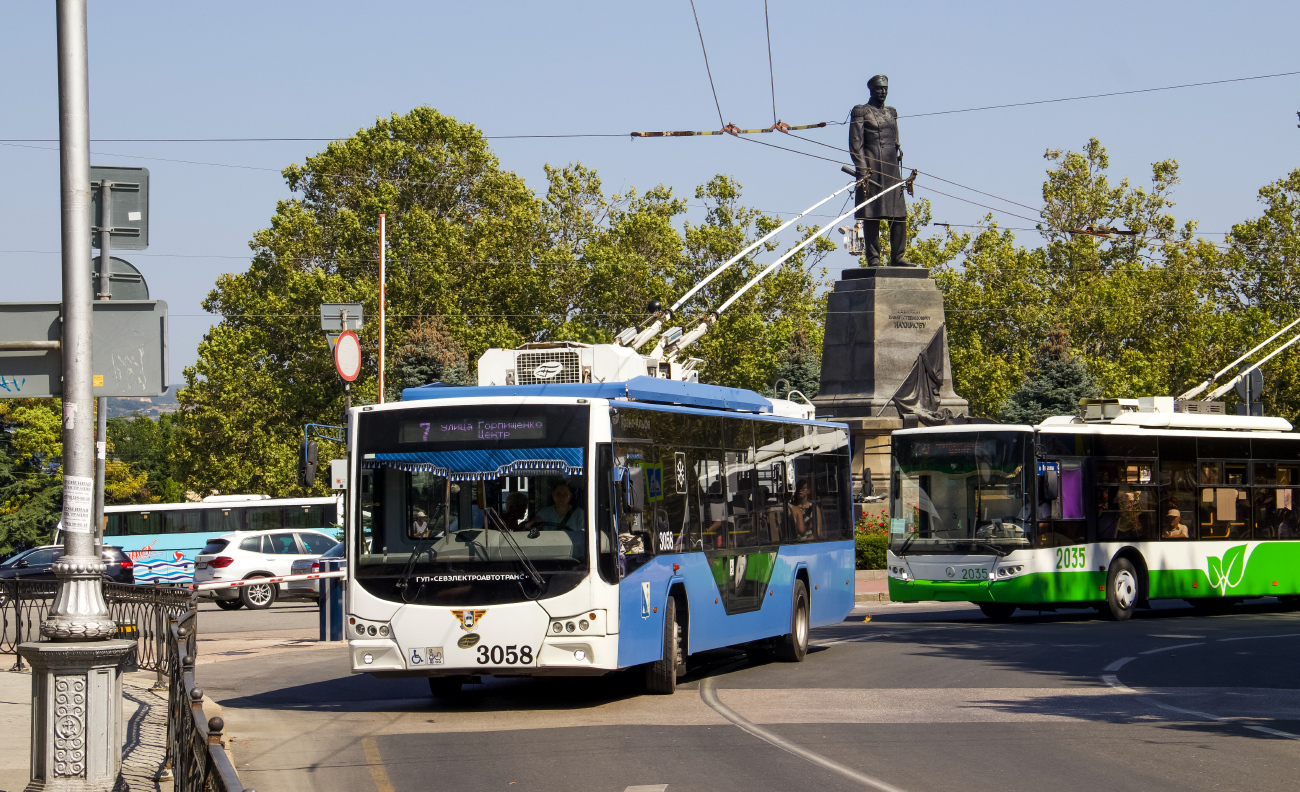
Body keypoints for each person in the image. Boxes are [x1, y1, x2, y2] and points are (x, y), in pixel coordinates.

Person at [849, 74, 911, 267]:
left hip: (892, 169)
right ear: (871, 90)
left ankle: (898, 257)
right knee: (872, 214)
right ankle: (874, 259)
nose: (882, 92)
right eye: (878, 88)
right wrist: (862, 170)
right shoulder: (861, 111)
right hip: (872, 167)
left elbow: (895, 141)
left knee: (899, 215)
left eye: (885, 88)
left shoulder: (892, 113)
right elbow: (855, 143)